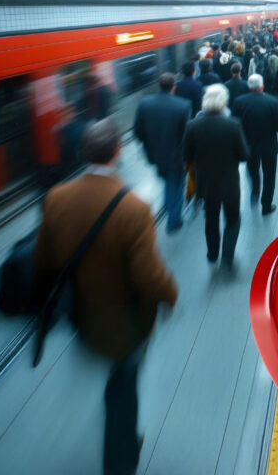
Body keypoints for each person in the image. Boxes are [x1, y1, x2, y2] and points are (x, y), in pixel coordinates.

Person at [37, 119, 178, 475]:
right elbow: (148, 274)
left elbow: (47, 258)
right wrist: (170, 293)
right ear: (117, 151)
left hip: (83, 313)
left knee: (118, 376)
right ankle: (120, 460)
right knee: (124, 385)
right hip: (126, 319)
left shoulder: (56, 198)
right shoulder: (134, 208)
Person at [183, 85, 250, 264]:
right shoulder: (233, 125)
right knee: (233, 219)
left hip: (205, 184)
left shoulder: (192, 126)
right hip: (230, 184)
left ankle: (213, 254)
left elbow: (186, 157)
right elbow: (244, 155)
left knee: (211, 219)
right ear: (224, 102)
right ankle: (227, 256)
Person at [134, 73, 191, 233]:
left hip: (155, 155)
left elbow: (138, 131)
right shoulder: (183, 105)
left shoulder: (145, 103)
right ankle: (174, 220)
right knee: (177, 184)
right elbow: (186, 134)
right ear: (174, 87)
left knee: (167, 180)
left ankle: (168, 204)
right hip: (176, 155)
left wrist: (149, 144)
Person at [231, 74, 278, 215]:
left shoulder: (238, 102)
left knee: (253, 170)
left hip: (248, 146)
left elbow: (234, 124)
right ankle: (266, 205)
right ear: (262, 87)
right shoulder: (273, 102)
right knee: (269, 175)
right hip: (269, 147)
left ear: (249, 87)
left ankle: (255, 190)